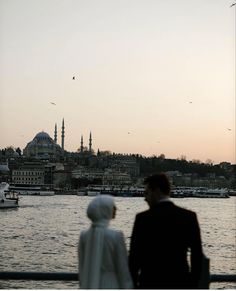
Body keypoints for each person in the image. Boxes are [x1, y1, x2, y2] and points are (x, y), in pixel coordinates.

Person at [129, 173, 203, 289]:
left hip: (149, 283)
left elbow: (134, 259)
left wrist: (134, 285)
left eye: (146, 193)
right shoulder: (189, 217)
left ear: (156, 191)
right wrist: (192, 284)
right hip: (180, 283)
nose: (145, 198)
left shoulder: (142, 219)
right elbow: (197, 257)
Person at [78, 195, 133, 289]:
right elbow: (123, 270)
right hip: (111, 284)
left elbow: (82, 266)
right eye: (113, 206)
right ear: (105, 210)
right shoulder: (116, 236)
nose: (116, 209)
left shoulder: (84, 235)